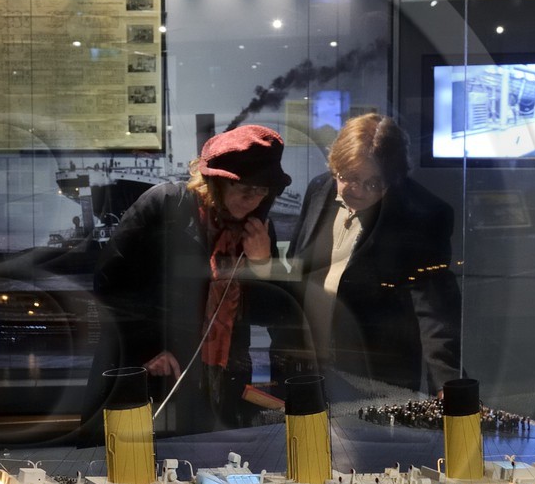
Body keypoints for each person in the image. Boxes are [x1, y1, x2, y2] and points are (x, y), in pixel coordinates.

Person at [89, 124, 290, 434]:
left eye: (262, 190)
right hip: (151, 368)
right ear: (216, 182)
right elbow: (109, 282)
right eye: (243, 187)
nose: (252, 198)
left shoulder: (258, 230)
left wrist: (263, 265)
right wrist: (147, 348)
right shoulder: (164, 204)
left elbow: (271, 313)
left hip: (220, 377)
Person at [279, 113, 461, 396]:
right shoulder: (320, 189)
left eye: (373, 183)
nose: (358, 191)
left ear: (393, 179)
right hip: (306, 367)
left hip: (376, 376)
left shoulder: (423, 215)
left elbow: (434, 308)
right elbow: (297, 265)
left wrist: (446, 383)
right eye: (349, 177)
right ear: (335, 166)